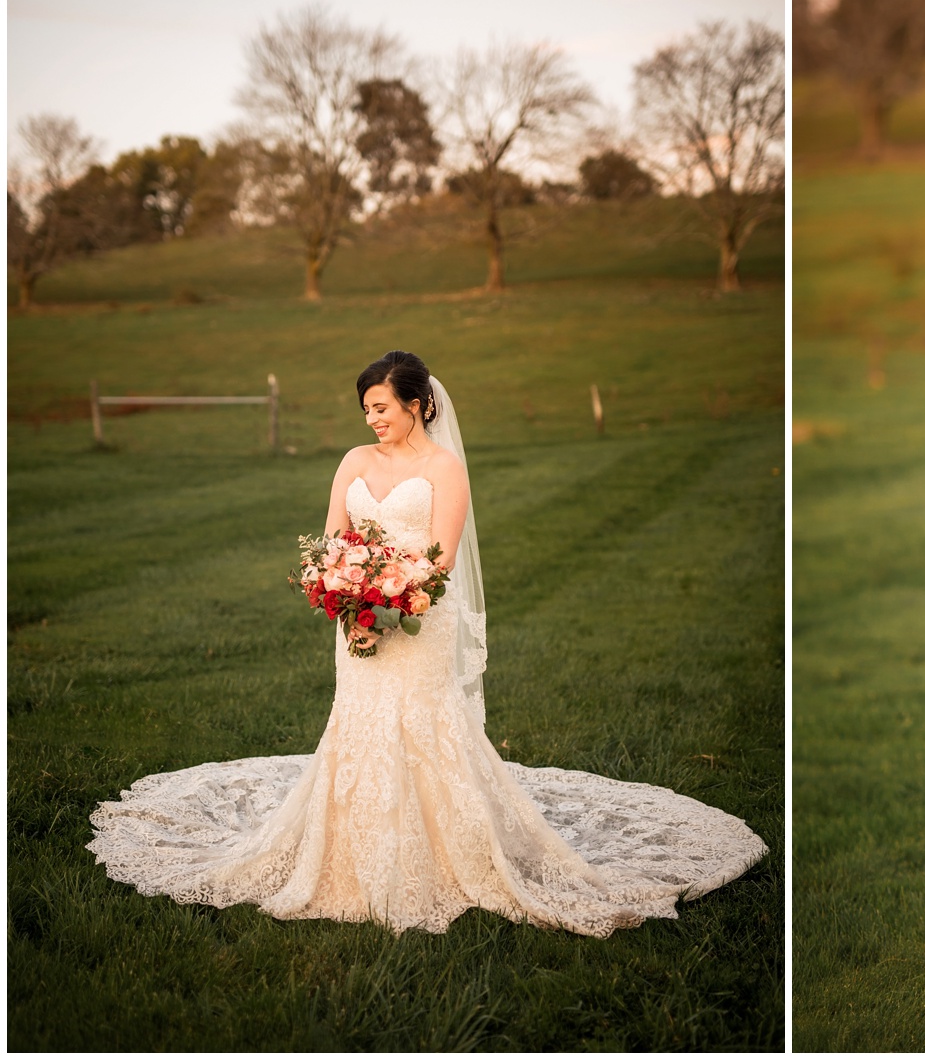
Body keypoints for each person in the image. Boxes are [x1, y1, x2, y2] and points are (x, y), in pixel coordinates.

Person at [89, 350, 766, 937]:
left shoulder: (446, 469)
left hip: (418, 618)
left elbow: (439, 561)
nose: (372, 419)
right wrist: (338, 589)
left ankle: (446, 856)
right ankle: (351, 853)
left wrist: (393, 596)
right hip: (356, 622)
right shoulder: (353, 460)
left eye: (382, 407)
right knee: (358, 727)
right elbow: (329, 539)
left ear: (418, 405)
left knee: (423, 726)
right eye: (366, 409)